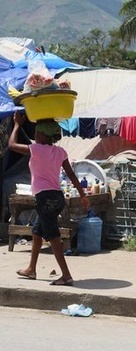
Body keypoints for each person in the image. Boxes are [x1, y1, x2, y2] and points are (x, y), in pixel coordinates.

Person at [9, 112, 90, 286]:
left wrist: (17, 125)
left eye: (37, 133)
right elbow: (71, 175)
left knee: (53, 236)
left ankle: (66, 276)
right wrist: (83, 195)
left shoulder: (36, 149)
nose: (35, 136)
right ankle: (31, 269)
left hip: (45, 199)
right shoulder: (60, 152)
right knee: (37, 232)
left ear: (44, 135)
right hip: (57, 198)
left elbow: (11, 145)